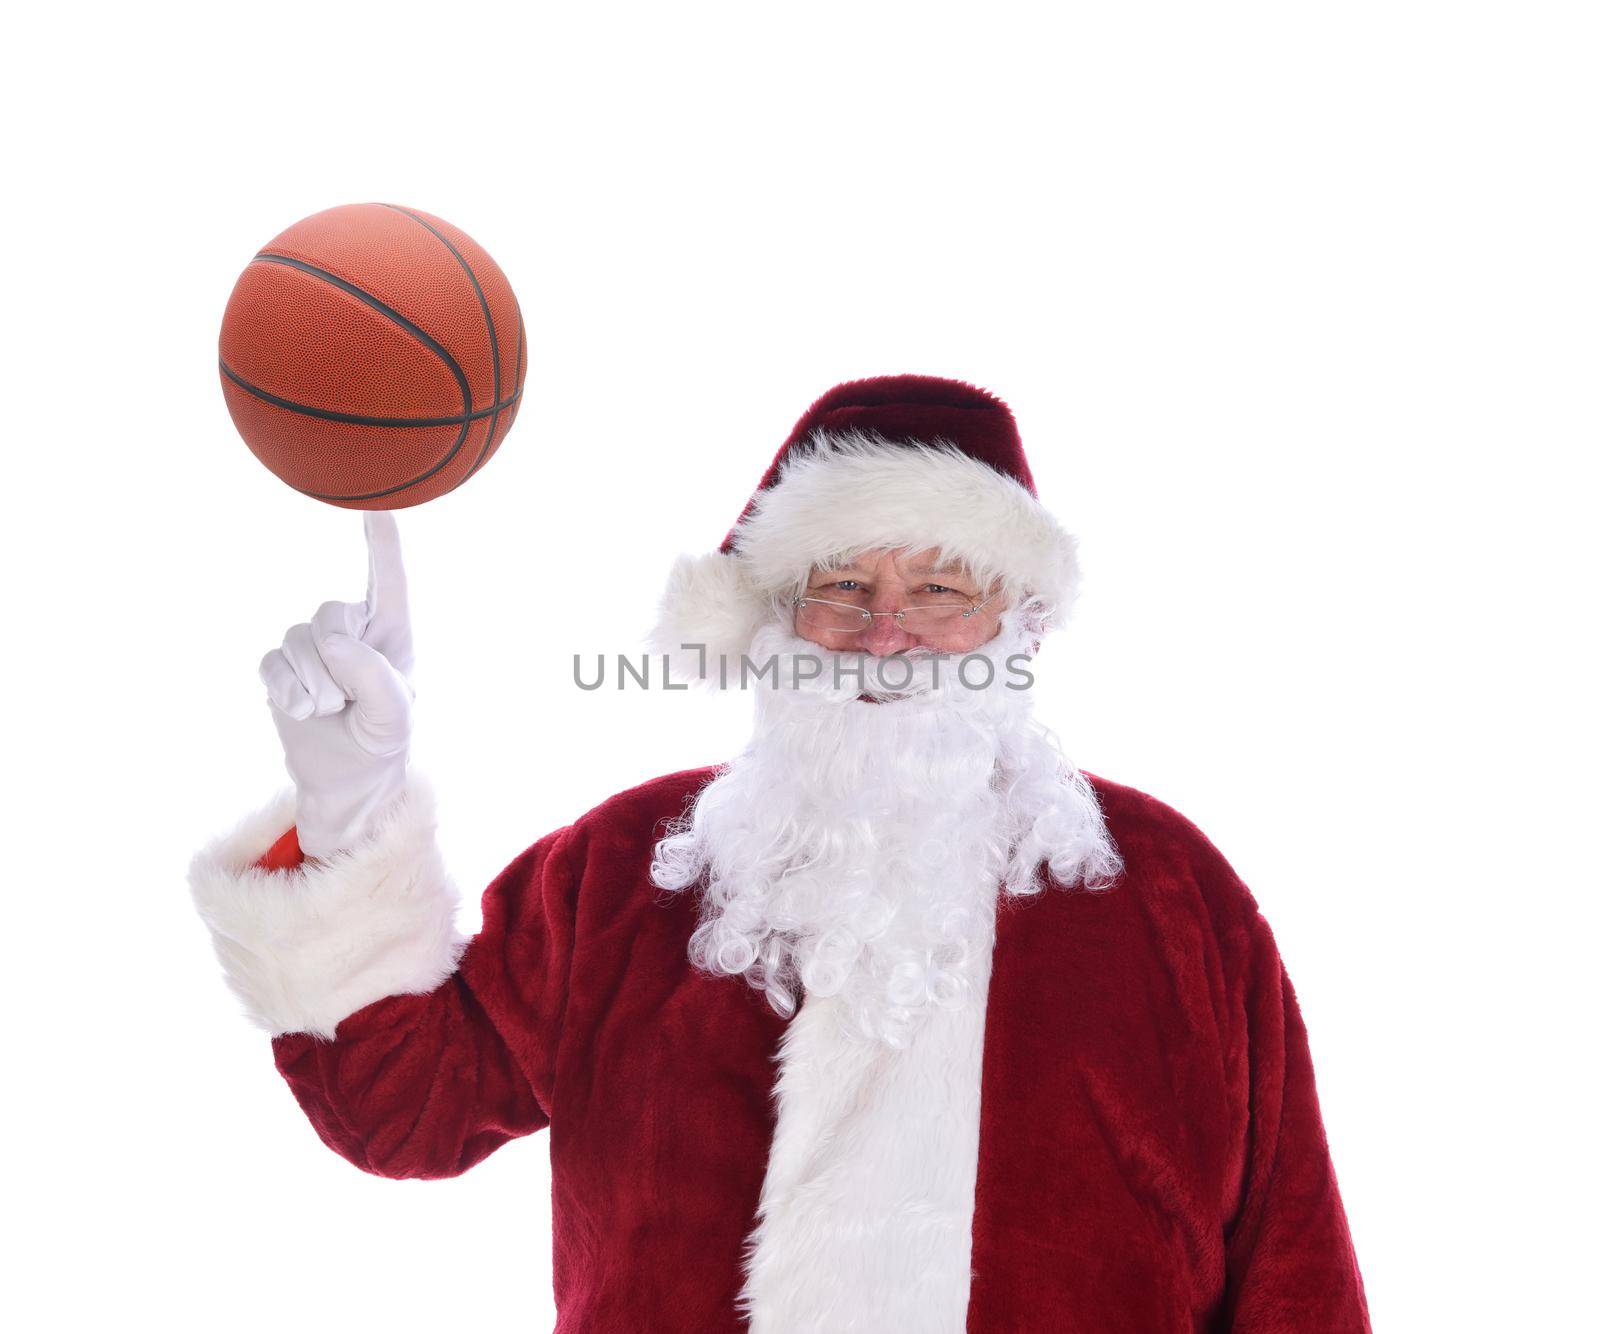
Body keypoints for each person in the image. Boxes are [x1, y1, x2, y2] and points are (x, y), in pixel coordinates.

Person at [190, 375, 1371, 1332]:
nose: (886, 630)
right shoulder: (622, 872)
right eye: (839, 585)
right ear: (770, 625)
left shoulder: (1164, 891)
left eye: (941, 587)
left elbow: (1292, 1259)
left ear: (1019, 624)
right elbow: (406, 1112)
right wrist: (347, 809)